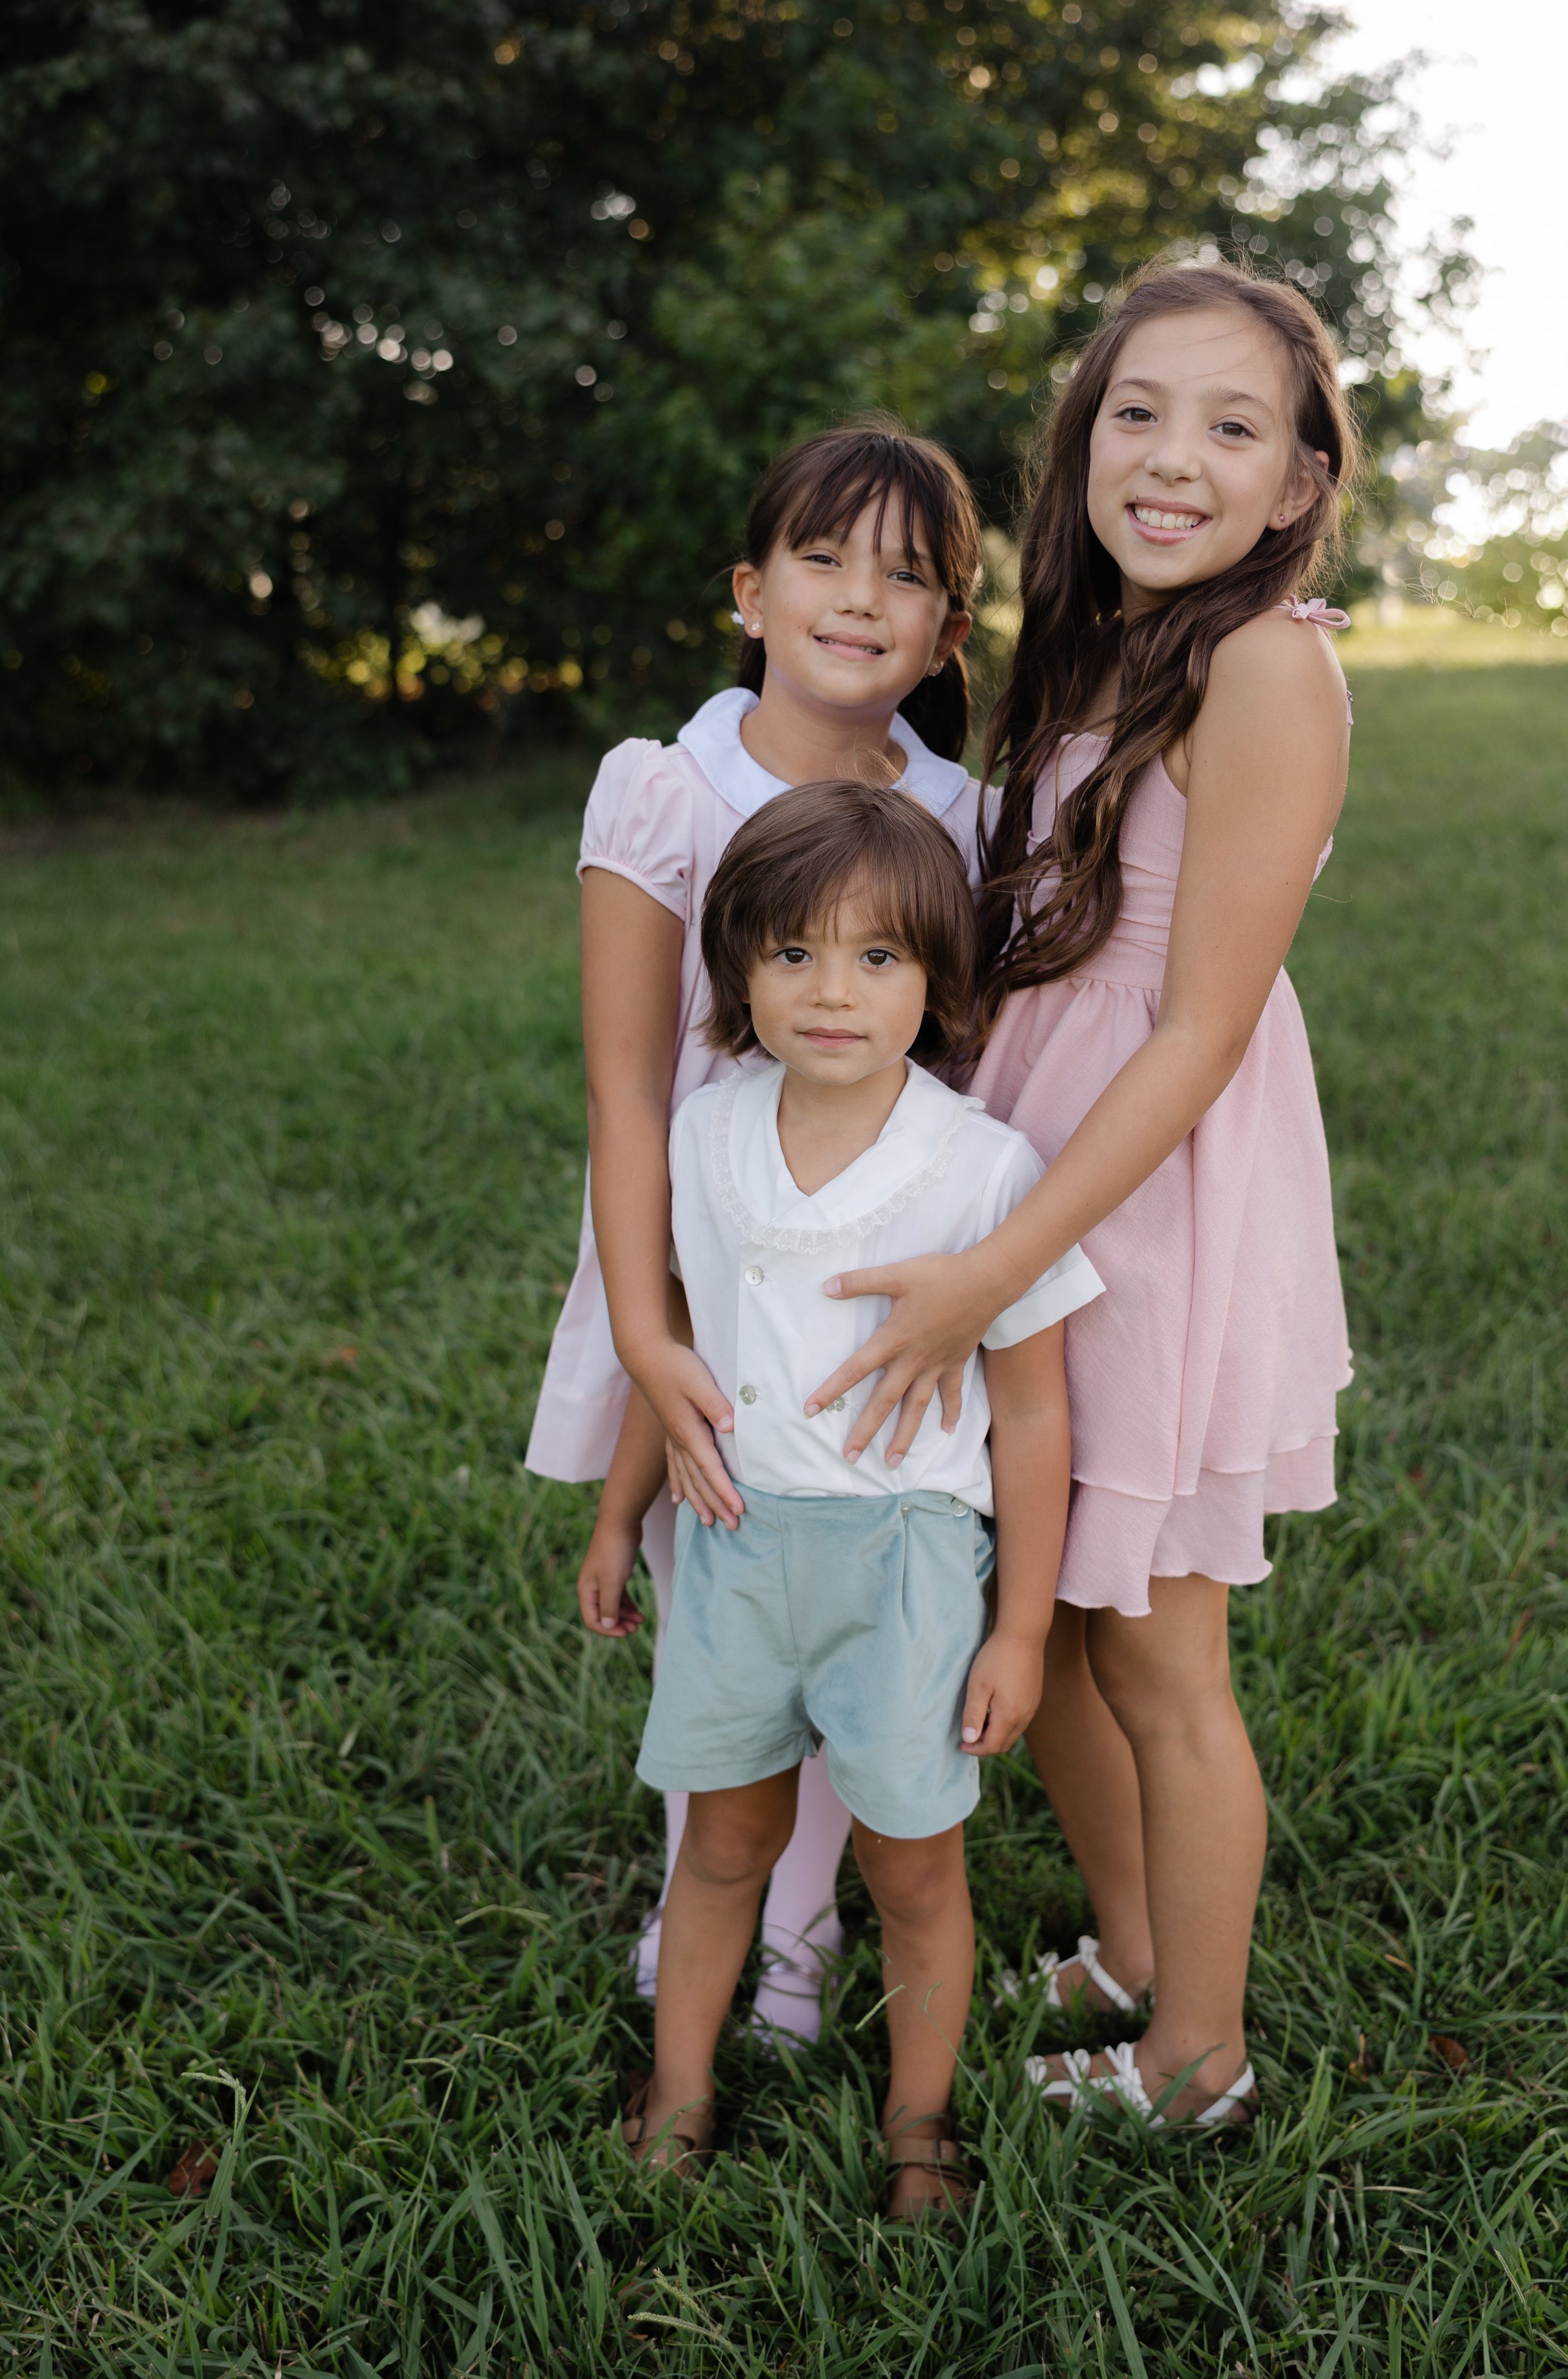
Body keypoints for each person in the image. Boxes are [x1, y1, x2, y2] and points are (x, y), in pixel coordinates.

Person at [688, 258, 1357, 2130]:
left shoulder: (1266, 660)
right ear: (1080, 442)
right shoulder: (1106, 644)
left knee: (1156, 1633)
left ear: (1300, 480)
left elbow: (1202, 1025)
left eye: (1233, 426)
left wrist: (995, 1255)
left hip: (1145, 1178)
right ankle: (1138, 1939)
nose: (1171, 458)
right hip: (1035, 1141)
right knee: (1046, 1591)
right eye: (1135, 412)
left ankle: (1197, 2054)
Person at [576, 782, 1101, 2214]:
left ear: (934, 981)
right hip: (739, 1549)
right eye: (792, 953)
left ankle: (917, 2122)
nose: (830, 992)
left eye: (877, 958)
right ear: (738, 966)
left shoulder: (983, 1169)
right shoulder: (704, 1138)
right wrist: (624, 1514)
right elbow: (673, 1357)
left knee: (913, 1869)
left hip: (908, 1570)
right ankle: (680, 2089)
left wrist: (1017, 1631)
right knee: (725, 1841)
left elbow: (1037, 1412)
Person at [530, 420, 988, 2044]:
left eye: (909, 575)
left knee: (857, 1613)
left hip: (870, 1276)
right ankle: (727, 1916)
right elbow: (623, 1081)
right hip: (692, 1257)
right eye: (825, 556)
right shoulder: (670, 785)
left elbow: (959, 1063)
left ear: (946, 629)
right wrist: (651, 1331)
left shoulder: (958, 811)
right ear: (749, 588)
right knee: (715, 1592)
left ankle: (804, 1927)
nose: (861, 597)